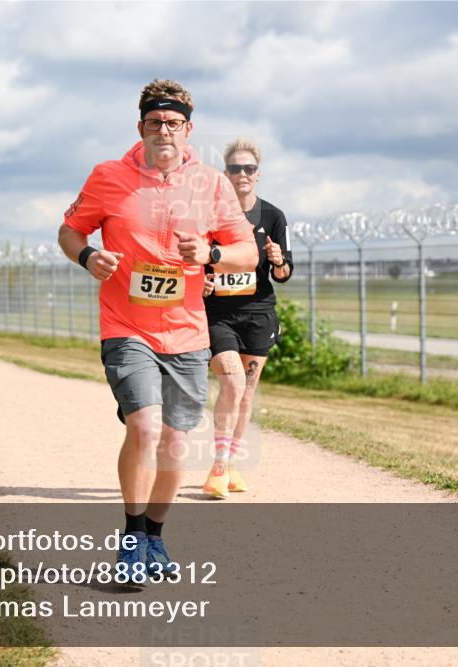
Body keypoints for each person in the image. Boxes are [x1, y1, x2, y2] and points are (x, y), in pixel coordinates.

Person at [57, 79, 257, 582]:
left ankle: (154, 539)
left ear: (188, 130)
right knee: (143, 426)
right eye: (154, 122)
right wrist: (87, 255)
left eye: (173, 123)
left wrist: (211, 254)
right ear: (140, 126)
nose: (163, 130)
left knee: (173, 441)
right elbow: (69, 230)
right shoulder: (108, 176)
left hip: (188, 332)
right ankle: (129, 541)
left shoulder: (212, 183)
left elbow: (247, 254)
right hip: (126, 326)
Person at [201, 139, 294, 498]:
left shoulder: (273, 216)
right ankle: (219, 466)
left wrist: (276, 259)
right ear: (225, 174)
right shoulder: (211, 216)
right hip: (218, 315)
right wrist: (203, 282)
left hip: (258, 313)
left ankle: (230, 464)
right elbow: (196, 263)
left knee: (247, 392)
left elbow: (284, 274)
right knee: (233, 383)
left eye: (249, 169)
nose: (243, 174)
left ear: (258, 174)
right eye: (236, 168)